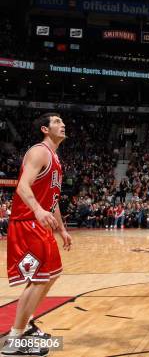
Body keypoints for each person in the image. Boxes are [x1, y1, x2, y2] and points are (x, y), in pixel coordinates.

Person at [3, 113, 73, 357]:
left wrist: (62, 229)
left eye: (62, 122)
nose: (62, 124)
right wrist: (37, 209)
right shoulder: (39, 151)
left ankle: (27, 322)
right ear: (45, 128)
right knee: (39, 279)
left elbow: (52, 200)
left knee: (53, 274)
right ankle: (14, 340)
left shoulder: (55, 157)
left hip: (40, 222)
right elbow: (22, 186)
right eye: (57, 122)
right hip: (26, 221)